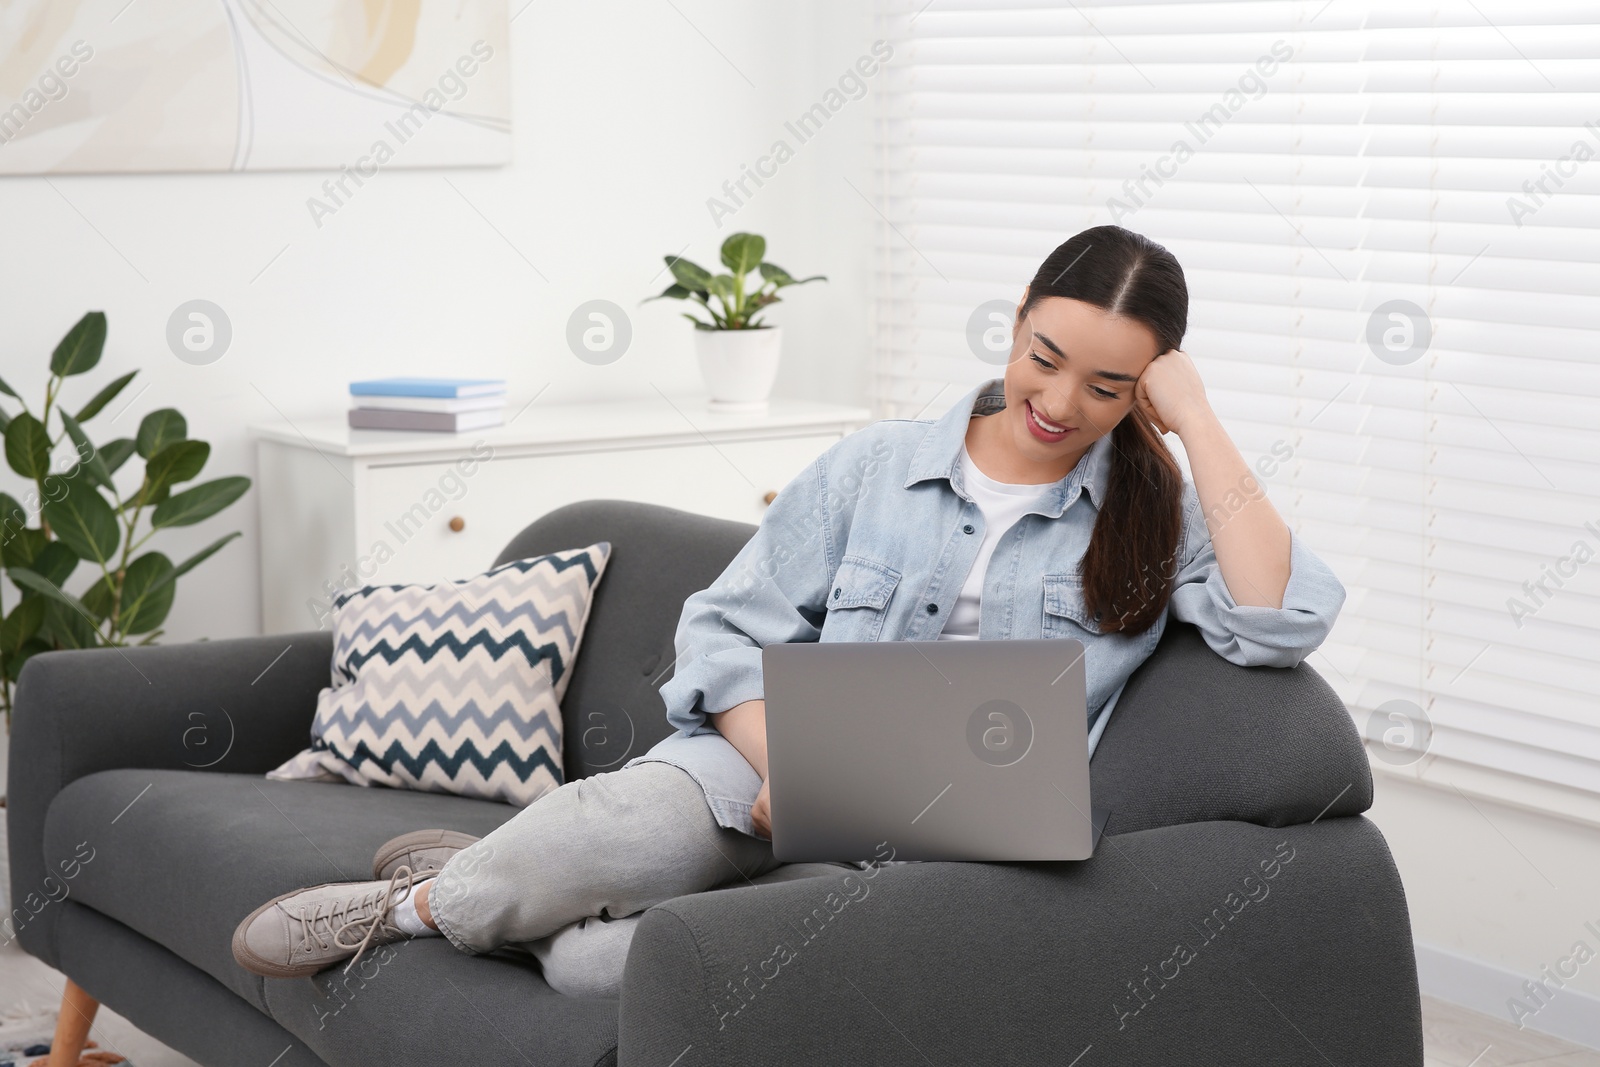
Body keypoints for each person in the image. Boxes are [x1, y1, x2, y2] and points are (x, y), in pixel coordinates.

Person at [230, 225, 1346, 996]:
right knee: (605, 826)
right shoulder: (876, 467)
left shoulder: (1155, 517)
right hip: (769, 765)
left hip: (954, 840)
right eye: (1042, 359)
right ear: (1013, 323)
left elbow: (1279, 618)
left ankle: (514, 900)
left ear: (1145, 386)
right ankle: (422, 904)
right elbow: (721, 633)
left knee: (597, 968)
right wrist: (795, 761)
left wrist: (1193, 418)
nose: (1057, 403)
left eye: (1108, 387)